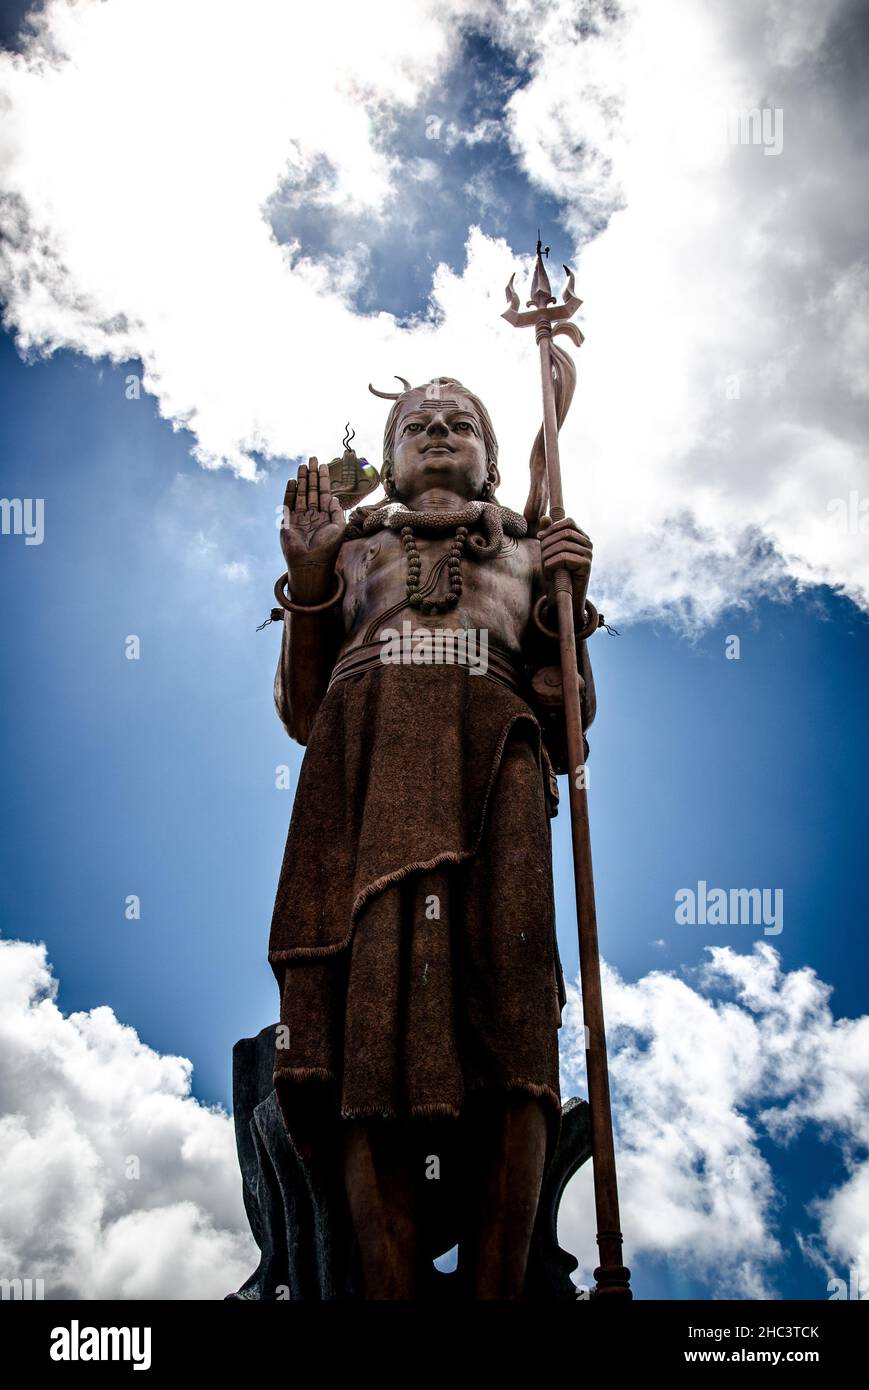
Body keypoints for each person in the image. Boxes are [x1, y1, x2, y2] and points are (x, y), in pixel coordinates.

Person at [268, 377, 596, 1299]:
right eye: (419, 425)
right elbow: (300, 708)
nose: (441, 434)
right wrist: (305, 581)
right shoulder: (351, 545)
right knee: (363, 1017)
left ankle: (500, 1281)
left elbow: (573, 729)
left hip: (495, 765)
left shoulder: (532, 548)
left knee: (510, 1012)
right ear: (391, 457)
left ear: (491, 459)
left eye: (461, 424)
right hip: (361, 772)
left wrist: (570, 605)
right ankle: (388, 1284)